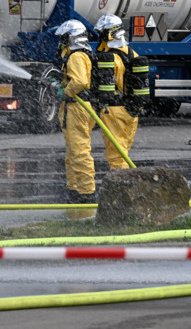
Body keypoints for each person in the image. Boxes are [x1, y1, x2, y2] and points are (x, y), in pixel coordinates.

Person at [53, 19, 97, 203]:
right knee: (73, 150)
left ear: (71, 38)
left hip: (77, 107)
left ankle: (86, 192)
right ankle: (74, 188)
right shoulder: (82, 54)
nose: (61, 42)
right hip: (77, 107)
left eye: (63, 38)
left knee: (79, 150)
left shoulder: (77, 56)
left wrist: (66, 91)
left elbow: (80, 82)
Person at [94, 13, 140, 171]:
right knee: (123, 151)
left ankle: (122, 189)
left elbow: (97, 84)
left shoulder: (108, 58)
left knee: (116, 155)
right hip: (132, 110)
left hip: (113, 110)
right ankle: (125, 186)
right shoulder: (133, 54)